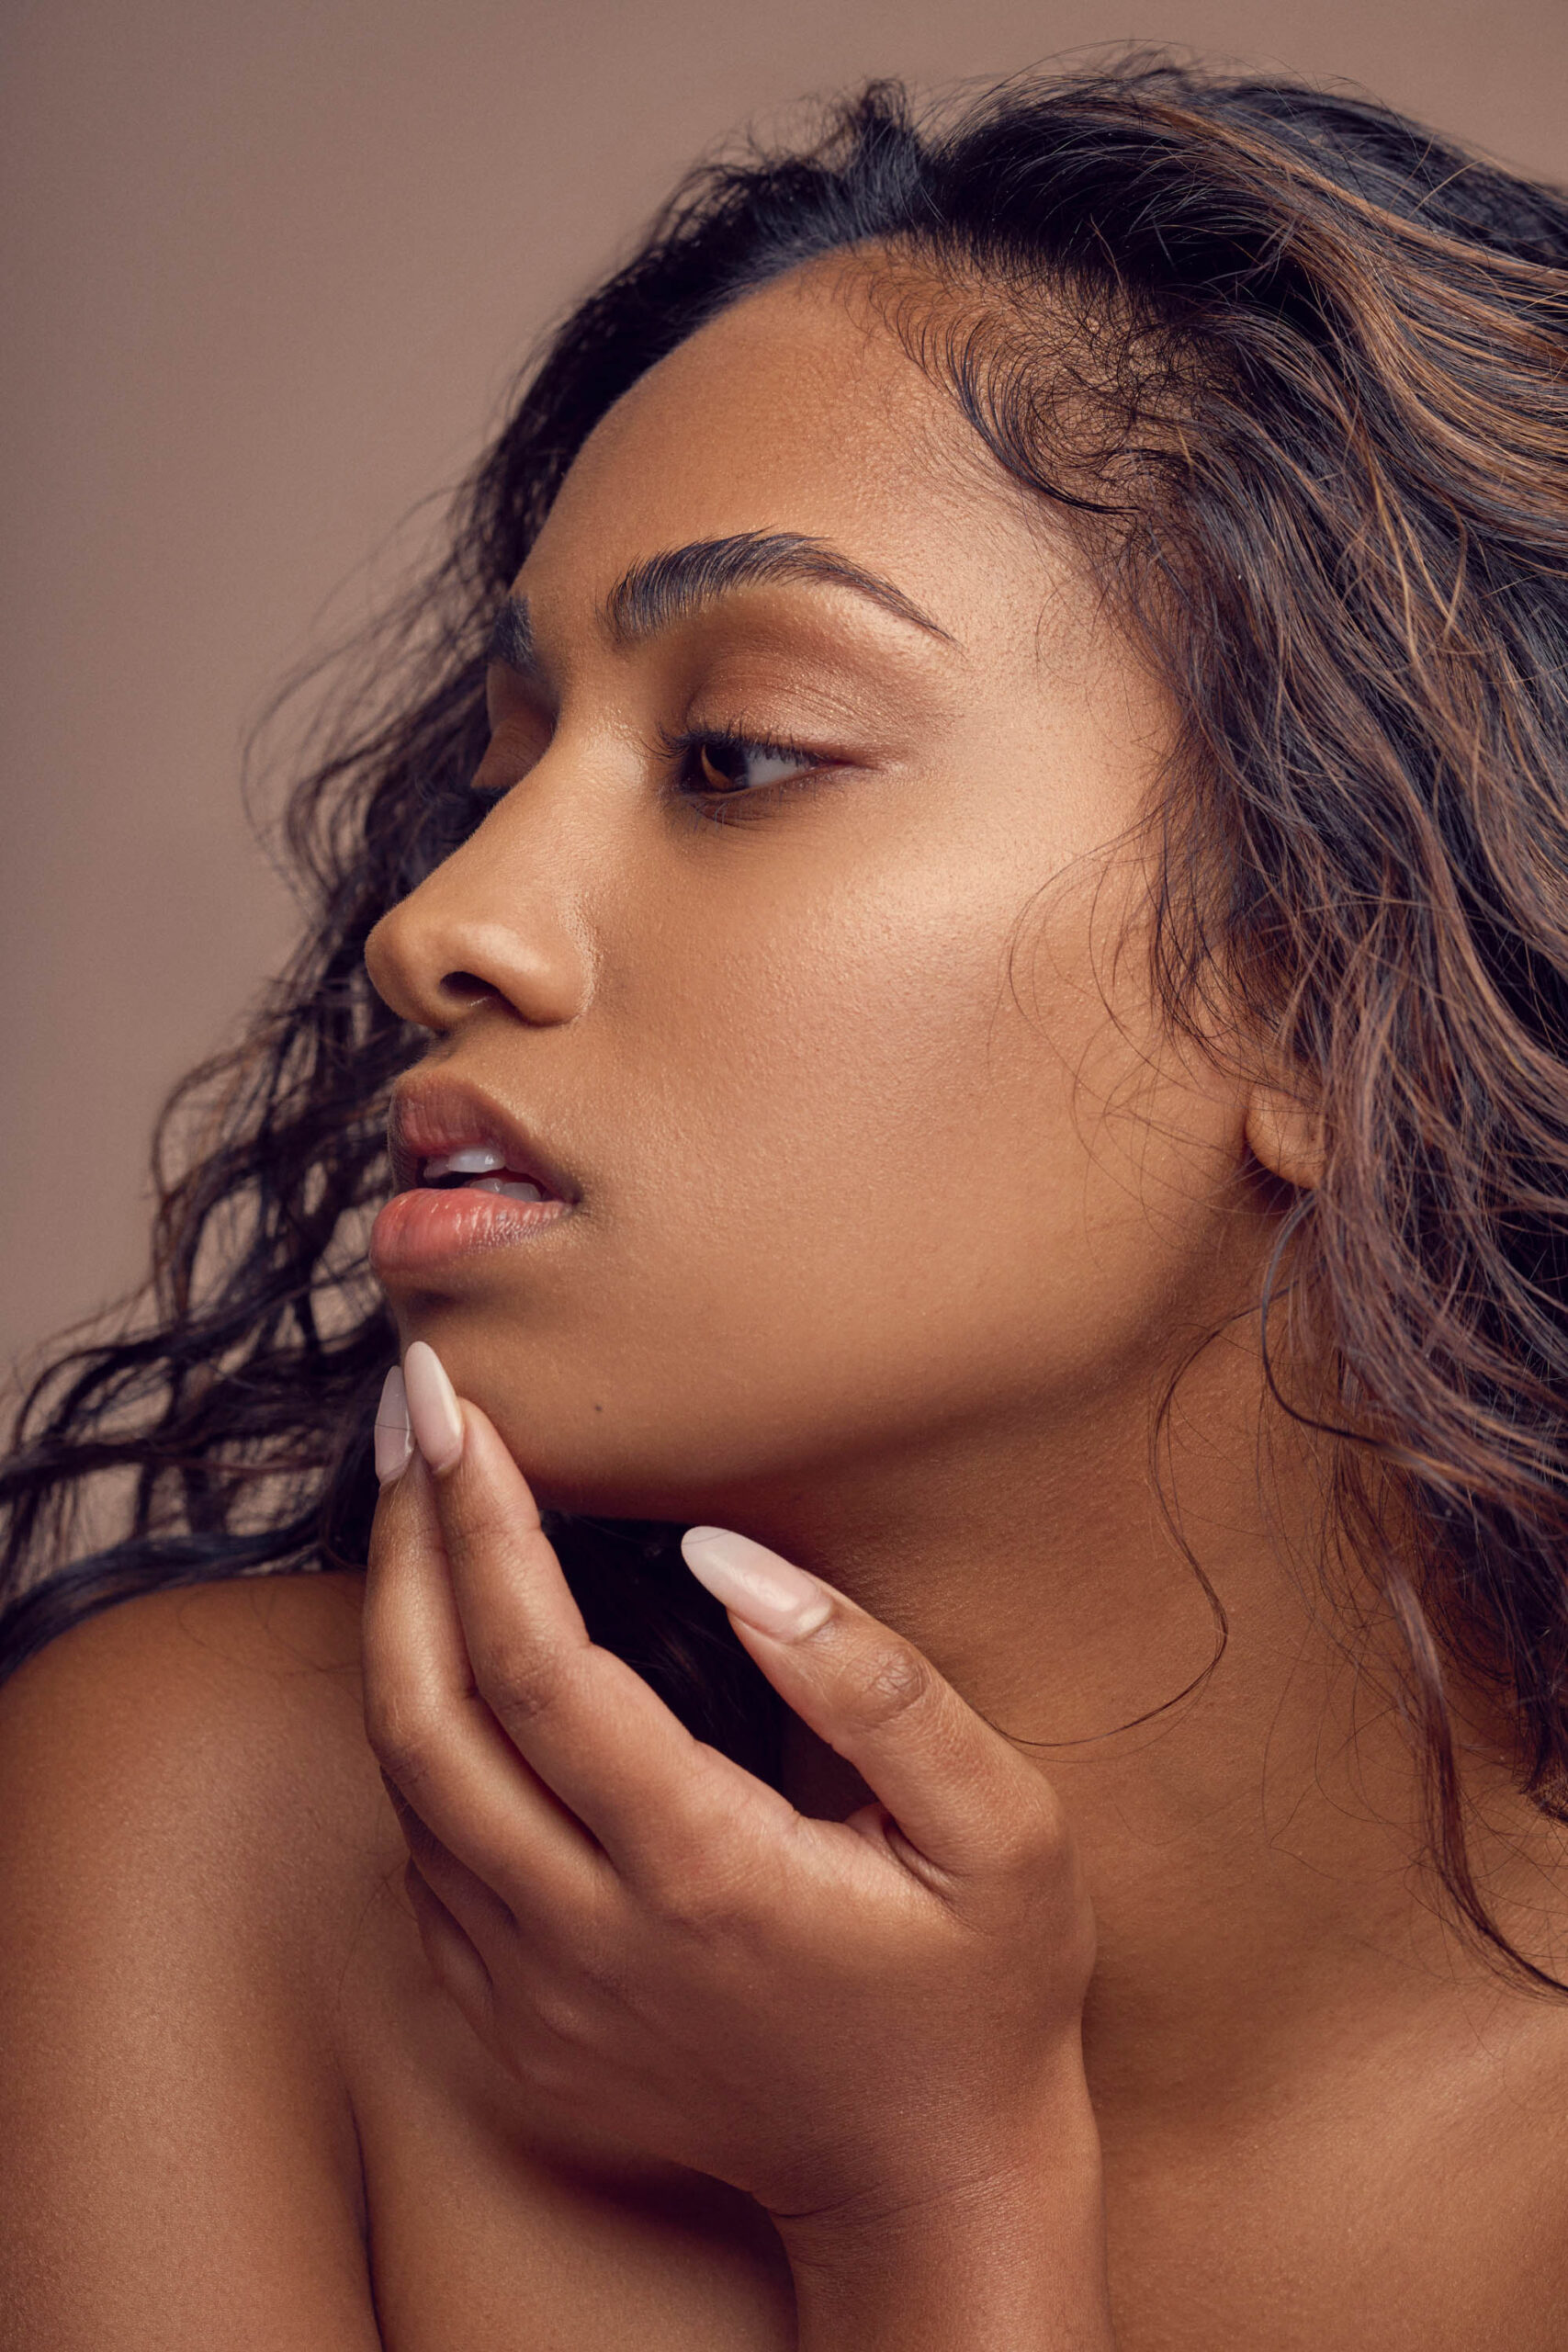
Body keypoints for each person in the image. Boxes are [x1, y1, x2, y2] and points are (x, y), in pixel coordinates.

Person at [3, 57, 1568, 2348]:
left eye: (739, 756)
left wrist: (922, 2201)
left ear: (1328, 979)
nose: (440, 921)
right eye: (497, 767)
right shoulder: (215, 1835)